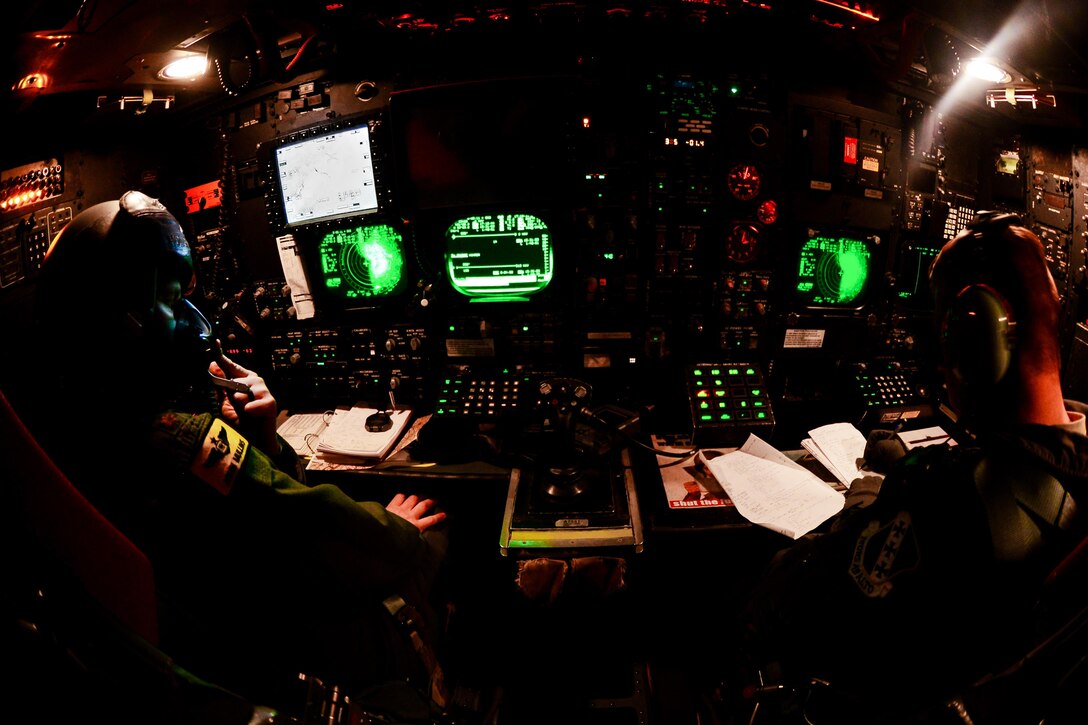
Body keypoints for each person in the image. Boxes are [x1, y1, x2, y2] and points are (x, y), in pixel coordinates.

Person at [24, 191, 450, 715]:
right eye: (175, 295)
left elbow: (261, 507)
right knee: (432, 538)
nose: (192, 318)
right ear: (128, 322)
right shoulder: (180, 440)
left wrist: (264, 434)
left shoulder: (53, 428)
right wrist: (395, 527)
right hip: (276, 653)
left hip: (208, 648)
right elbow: (318, 525)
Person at [729, 213, 1088, 724]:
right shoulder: (1076, 459)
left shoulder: (951, 499)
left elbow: (794, 608)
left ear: (972, 338)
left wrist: (871, 494)